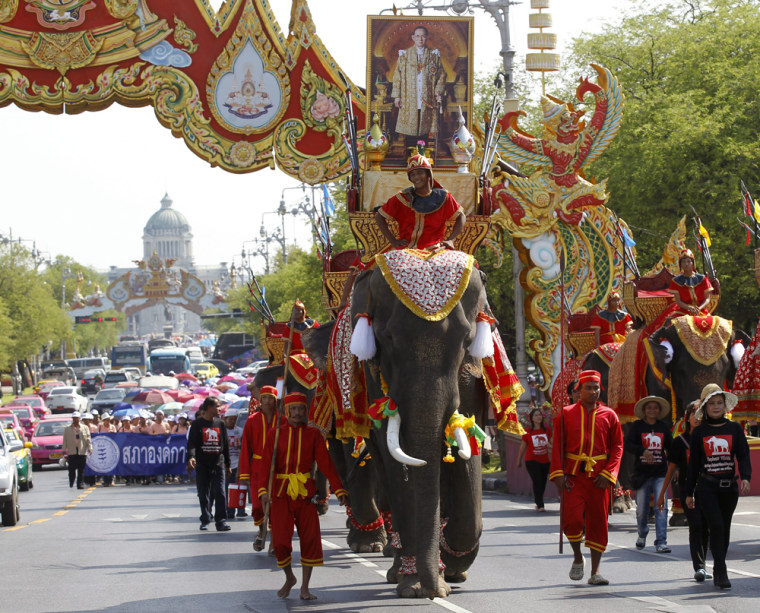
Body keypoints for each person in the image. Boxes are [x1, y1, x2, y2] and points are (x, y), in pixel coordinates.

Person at [255, 392, 348, 600]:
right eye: (293, 409)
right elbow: (264, 467)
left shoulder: (313, 435)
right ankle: (290, 577)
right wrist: (263, 492)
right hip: (280, 493)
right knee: (280, 542)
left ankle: (305, 587)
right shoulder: (275, 434)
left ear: (306, 411)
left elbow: (326, 464)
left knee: (310, 539)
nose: (297, 413)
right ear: (286, 411)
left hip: (305, 493)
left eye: (301, 409)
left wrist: (339, 489)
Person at [550, 370, 624, 585]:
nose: (593, 392)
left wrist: (609, 474)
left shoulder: (610, 415)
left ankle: (596, 572)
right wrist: (558, 473)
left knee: (599, 523)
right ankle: (577, 556)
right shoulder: (565, 414)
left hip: (599, 478)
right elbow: (557, 447)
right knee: (572, 520)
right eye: (588, 388)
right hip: (573, 476)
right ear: (578, 391)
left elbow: (618, 447)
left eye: (596, 388)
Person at [685, 384, 752, 589]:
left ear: (725, 406)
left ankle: (719, 564)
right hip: (707, 487)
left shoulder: (734, 429)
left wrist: (746, 477)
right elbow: (694, 463)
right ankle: (720, 570)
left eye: (719, 403)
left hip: (729, 488)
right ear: (705, 407)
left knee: (725, 529)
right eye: (712, 403)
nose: (716, 407)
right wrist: (689, 493)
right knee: (716, 525)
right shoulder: (700, 432)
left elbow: (743, 454)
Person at [656, 401, 711, 582]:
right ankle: (699, 567)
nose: (697, 417)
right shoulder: (680, 441)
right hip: (689, 489)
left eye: (700, 413)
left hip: (710, 488)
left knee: (707, 527)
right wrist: (662, 493)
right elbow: (671, 468)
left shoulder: (710, 437)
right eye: (693, 413)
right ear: (687, 418)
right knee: (695, 526)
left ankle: (708, 564)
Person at [375, 154, 466, 251]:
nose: (416, 177)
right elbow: (379, 216)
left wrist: (451, 240)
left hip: (435, 250)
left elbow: (461, 216)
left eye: (420, 173)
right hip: (406, 251)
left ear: (428, 174)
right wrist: (393, 241)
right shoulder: (402, 198)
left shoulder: (444, 197)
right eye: (413, 175)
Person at [239, 385, 286, 541]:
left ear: (276, 400)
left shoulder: (282, 420)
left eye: (270, 398)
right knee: (258, 506)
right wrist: (244, 472)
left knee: (275, 505)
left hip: (277, 467)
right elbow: (245, 447)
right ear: (260, 400)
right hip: (258, 468)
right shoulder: (252, 420)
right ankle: (262, 530)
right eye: (264, 397)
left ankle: (274, 538)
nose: (267, 401)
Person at [626, 395, 673, 553]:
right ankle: (642, 533)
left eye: (655, 407)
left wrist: (676, 467)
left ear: (659, 411)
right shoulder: (637, 427)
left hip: (661, 473)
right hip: (642, 474)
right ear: (644, 411)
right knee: (641, 509)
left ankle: (661, 541)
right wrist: (642, 451)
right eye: (649, 407)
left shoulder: (664, 427)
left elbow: (671, 448)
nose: (652, 410)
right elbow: (628, 444)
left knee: (662, 507)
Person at [391, 25, 446, 140]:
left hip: (427, 98)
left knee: (424, 129)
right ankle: (411, 156)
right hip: (409, 97)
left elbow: (441, 74)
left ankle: (423, 156)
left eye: (423, 36)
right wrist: (397, 96)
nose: (420, 39)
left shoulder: (433, 56)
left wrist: (438, 91)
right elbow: (397, 76)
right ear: (413, 37)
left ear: (427, 38)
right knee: (410, 133)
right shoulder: (404, 55)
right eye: (417, 36)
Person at [187, 397, 232, 532]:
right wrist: (191, 457)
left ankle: (221, 521)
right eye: (217, 406)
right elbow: (192, 444)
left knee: (220, 492)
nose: (219, 409)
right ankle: (205, 519)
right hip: (202, 464)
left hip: (218, 464)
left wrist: (227, 464)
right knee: (204, 493)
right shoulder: (197, 424)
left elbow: (225, 446)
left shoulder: (221, 424)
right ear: (208, 408)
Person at [517, 408, 552, 512]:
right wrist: (519, 460)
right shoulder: (527, 431)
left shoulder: (546, 430)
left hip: (545, 461)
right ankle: (540, 504)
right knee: (537, 481)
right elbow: (523, 447)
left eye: (540, 415)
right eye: (536, 415)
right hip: (532, 461)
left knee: (543, 482)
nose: (538, 417)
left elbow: (551, 442)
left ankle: (538, 501)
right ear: (532, 418)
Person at [666, 248, 714, 317]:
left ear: (693, 263)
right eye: (683, 262)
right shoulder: (676, 281)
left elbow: (707, 298)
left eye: (688, 261)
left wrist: (699, 308)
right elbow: (678, 301)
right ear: (680, 264)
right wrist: (689, 308)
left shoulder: (703, 279)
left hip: (701, 311)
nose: (686, 264)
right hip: (684, 312)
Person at [62, 411, 92, 489]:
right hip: (72, 451)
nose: (76, 419)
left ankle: (80, 483)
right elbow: (65, 439)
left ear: (79, 419)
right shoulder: (68, 429)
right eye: (74, 418)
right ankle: (71, 481)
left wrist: (90, 448)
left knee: (81, 469)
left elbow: (88, 439)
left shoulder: (85, 428)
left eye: (77, 418)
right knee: (71, 469)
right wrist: (64, 449)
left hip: (82, 451)